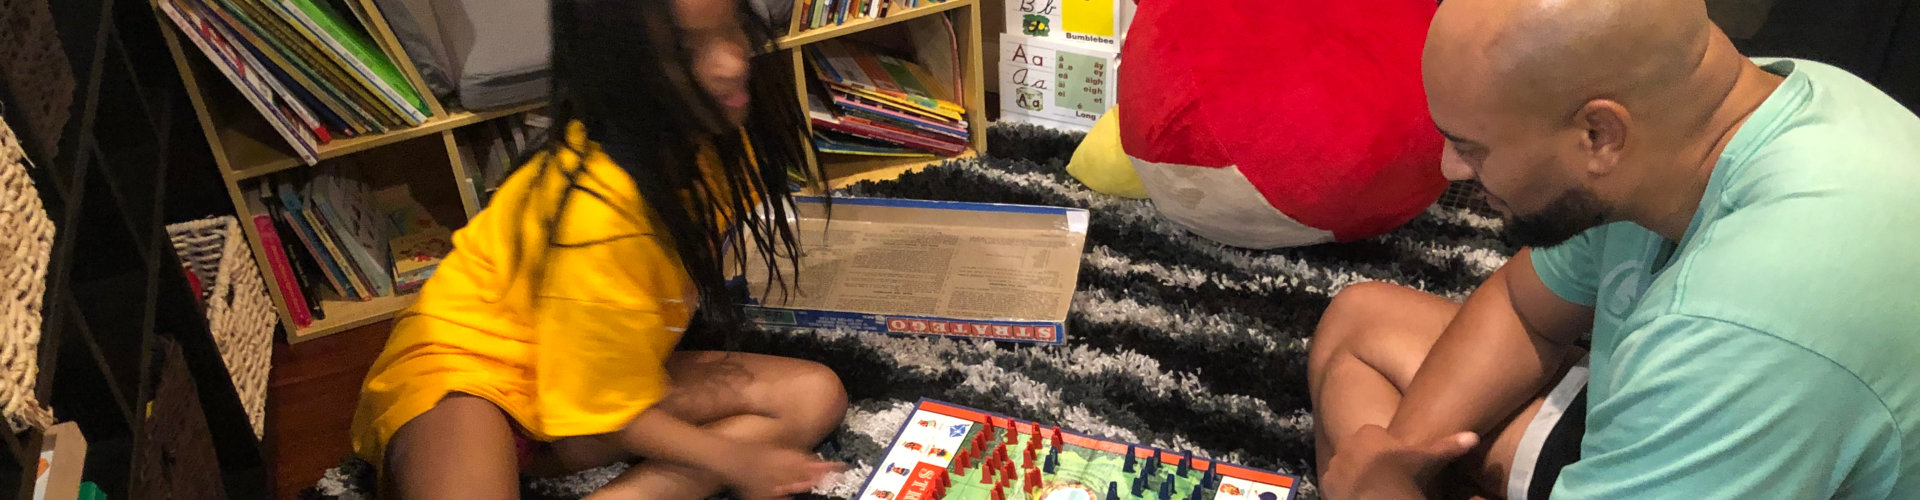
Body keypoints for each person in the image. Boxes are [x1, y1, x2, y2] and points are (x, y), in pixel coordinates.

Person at [1307, 0, 1920, 498]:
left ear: (1598, 135)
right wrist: (1400, 463)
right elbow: (1525, 308)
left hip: (1737, 407)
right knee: (1360, 324)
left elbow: (1734, 342)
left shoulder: (1741, 324)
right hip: (1721, 425)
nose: (1451, 168)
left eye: (1473, 147)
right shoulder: (1719, 114)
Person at [348, 0, 850, 498]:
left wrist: (745, 462)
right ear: (620, 68)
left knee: (815, 394)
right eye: (687, 49)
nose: (733, 62)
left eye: (733, 30)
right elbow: (607, 410)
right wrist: (734, 459)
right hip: (472, 375)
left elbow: (600, 393)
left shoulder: (711, 138)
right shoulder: (595, 215)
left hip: (579, 383)